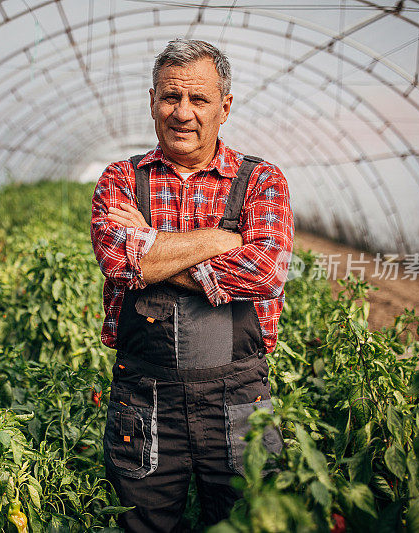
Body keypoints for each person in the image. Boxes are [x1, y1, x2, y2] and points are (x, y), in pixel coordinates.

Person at [89, 39, 294, 531]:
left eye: (198, 99)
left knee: (250, 521)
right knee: (144, 525)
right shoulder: (121, 178)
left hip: (238, 397)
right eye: (169, 97)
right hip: (144, 397)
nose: (182, 113)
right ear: (151, 101)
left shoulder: (261, 180)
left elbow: (263, 270)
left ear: (224, 107)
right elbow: (119, 259)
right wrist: (222, 240)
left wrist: (152, 251)